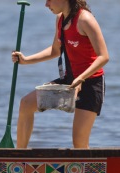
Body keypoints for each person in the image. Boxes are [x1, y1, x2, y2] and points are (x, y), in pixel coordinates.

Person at [12, 0, 109, 148]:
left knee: (79, 143)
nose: (46, 5)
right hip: (70, 81)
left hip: (90, 84)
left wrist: (81, 78)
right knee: (26, 104)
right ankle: (18, 158)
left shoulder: (85, 19)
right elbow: (55, 50)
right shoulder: (60, 19)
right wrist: (26, 60)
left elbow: (103, 56)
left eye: (49, 0)